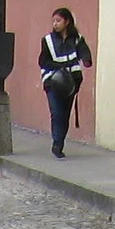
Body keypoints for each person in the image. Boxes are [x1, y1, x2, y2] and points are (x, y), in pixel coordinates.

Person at [37, 9, 93, 157]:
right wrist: (59, 68)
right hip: (53, 81)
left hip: (71, 83)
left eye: (58, 20)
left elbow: (84, 52)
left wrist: (86, 59)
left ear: (67, 21)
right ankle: (56, 144)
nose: (55, 24)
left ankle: (60, 143)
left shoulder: (77, 39)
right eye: (53, 21)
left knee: (65, 114)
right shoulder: (47, 40)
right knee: (56, 113)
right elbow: (43, 61)